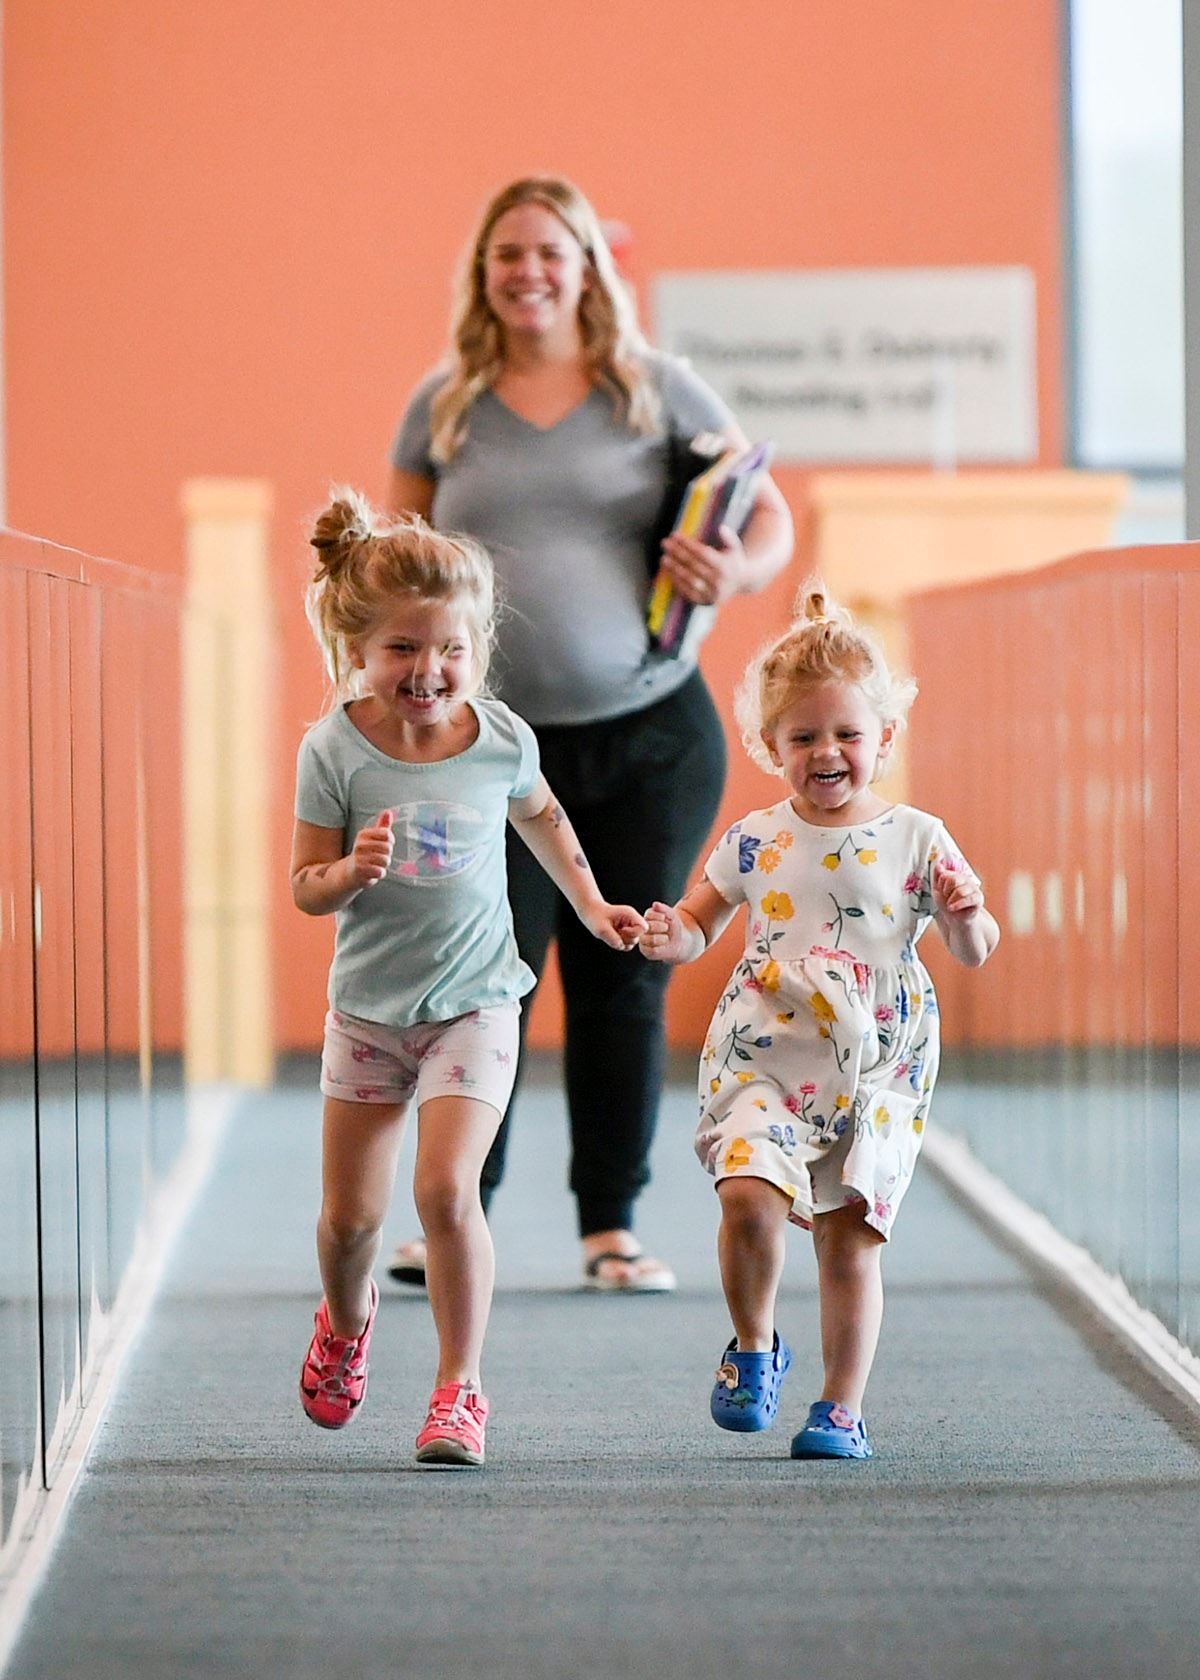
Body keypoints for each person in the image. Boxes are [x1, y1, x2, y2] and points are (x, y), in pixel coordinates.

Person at [386, 174, 794, 1293]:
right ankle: (457, 1211)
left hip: (650, 734)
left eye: (550, 253)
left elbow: (767, 511)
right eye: (507, 253)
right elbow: (396, 567)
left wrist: (738, 567)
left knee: (626, 970)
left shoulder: (659, 389)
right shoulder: (446, 404)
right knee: (485, 980)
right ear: (484, 271)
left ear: (586, 269)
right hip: (489, 751)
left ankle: (609, 1226)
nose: (528, 272)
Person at [291, 490, 645, 1467]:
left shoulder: (499, 739)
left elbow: (545, 820)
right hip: (367, 1012)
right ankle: (345, 1316)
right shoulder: (333, 751)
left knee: (448, 1192)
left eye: (450, 650)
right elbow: (303, 888)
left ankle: (460, 1391)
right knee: (349, 1222)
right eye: (403, 649)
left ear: (476, 649)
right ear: (359, 648)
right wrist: (346, 873)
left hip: (478, 997)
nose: (429, 671)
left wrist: (588, 903)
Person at [639, 583, 999, 1459]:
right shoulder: (756, 837)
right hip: (768, 1043)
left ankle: (841, 1405)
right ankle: (755, 1345)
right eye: (803, 737)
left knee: (849, 1239)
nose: (826, 752)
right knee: (748, 1198)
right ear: (771, 746)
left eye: (846, 734)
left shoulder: (918, 835)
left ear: (884, 738)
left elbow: (975, 946)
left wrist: (963, 910)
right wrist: (669, 936)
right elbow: (698, 920)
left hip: (879, 1057)